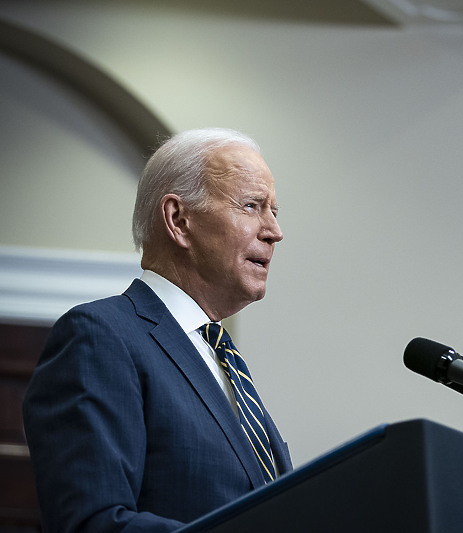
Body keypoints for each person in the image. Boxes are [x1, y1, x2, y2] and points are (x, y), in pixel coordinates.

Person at [22, 128, 291, 532]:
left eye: (274, 211)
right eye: (252, 206)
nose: (274, 231)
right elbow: (91, 523)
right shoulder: (100, 337)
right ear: (178, 219)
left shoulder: (221, 357)